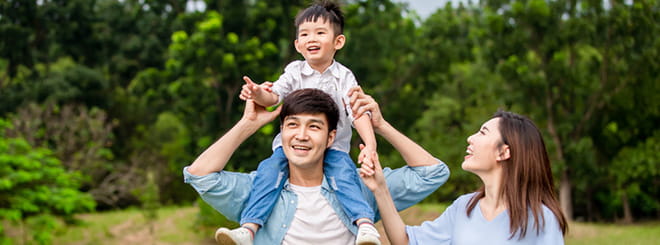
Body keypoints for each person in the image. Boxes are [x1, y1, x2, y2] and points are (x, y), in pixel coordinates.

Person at [184, 88, 450, 245]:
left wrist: (380, 126)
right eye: (292, 125)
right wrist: (247, 126)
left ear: (330, 137)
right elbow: (200, 175)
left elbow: (433, 173)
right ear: (282, 132)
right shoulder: (261, 191)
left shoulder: (360, 188)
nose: (301, 135)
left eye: (314, 126)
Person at [225, 0, 380, 244]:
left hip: (333, 149)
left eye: (320, 33)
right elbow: (274, 96)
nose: (312, 39)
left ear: (338, 42)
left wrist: (370, 145)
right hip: (291, 150)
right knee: (269, 171)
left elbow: (357, 112)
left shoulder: (344, 77)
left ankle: (365, 225)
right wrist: (256, 93)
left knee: (346, 177)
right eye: (305, 34)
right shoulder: (294, 71)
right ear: (297, 45)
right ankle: (249, 228)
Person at [351, 89, 568, 245]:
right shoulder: (464, 207)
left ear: (504, 152)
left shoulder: (541, 219)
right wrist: (379, 188)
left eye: (482, 132)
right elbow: (406, 241)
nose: (471, 138)